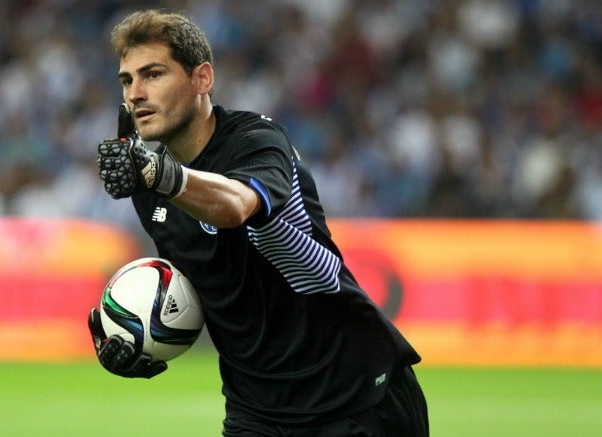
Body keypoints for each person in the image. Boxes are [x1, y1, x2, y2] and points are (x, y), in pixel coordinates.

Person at [88, 9, 429, 436]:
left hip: (356, 394)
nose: (135, 93)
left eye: (152, 74)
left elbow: (236, 206)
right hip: (257, 411)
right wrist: (133, 331)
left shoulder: (257, 141)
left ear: (202, 79)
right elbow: (207, 288)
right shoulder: (147, 188)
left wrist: (161, 176)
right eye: (126, 80)